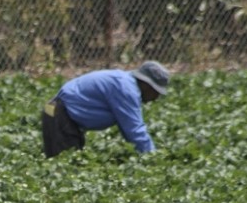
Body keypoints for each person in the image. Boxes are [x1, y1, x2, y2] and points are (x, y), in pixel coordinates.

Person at [41, 60, 170, 158]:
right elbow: (134, 130)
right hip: (59, 114)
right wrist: (151, 157)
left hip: (60, 114)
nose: (156, 97)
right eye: (156, 92)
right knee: (64, 165)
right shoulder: (126, 88)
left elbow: (129, 129)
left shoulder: (125, 82)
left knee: (69, 161)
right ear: (147, 85)